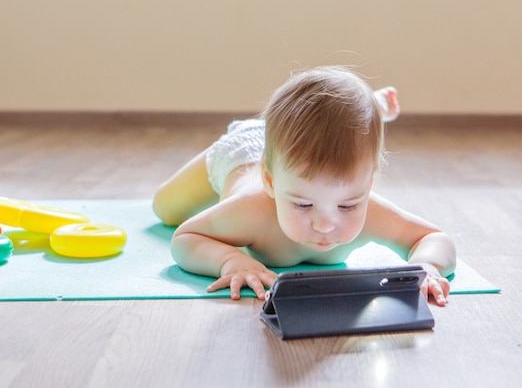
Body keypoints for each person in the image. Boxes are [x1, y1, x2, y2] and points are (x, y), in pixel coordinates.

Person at [153, 66, 456, 307]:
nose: (325, 224)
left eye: (348, 205)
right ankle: (371, 106)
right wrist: (230, 260)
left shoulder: (370, 209)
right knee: (165, 209)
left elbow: (434, 237)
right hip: (239, 153)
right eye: (302, 204)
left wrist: (426, 266)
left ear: (369, 185)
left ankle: (369, 107)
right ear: (270, 182)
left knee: (341, 133)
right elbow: (185, 237)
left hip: (298, 153)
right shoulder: (253, 209)